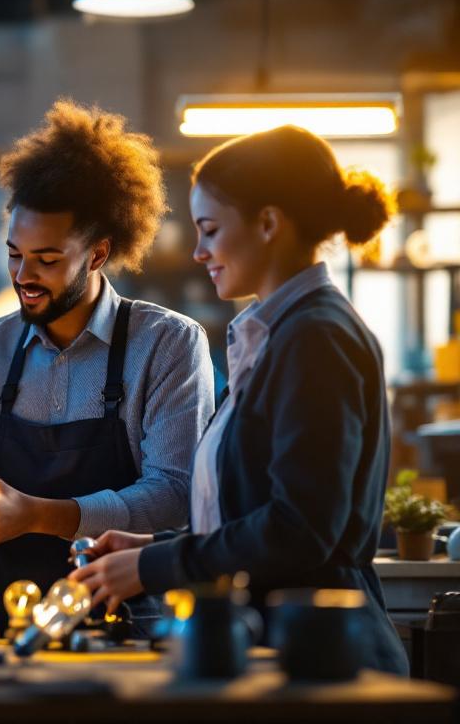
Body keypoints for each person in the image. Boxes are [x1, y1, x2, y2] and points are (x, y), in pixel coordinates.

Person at [71, 125, 410, 675]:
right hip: (283, 647)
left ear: (270, 223)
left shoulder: (315, 338)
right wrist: (154, 543)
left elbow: (299, 530)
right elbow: (255, 511)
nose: (200, 251)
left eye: (209, 230)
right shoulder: (277, 336)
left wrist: (155, 564)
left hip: (319, 655)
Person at [0, 100, 215, 631]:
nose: (24, 275)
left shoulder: (168, 344)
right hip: (2, 618)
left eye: (48, 259)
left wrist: (37, 515)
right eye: (14, 253)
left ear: (99, 253)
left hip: (123, 619)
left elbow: (175, 497)